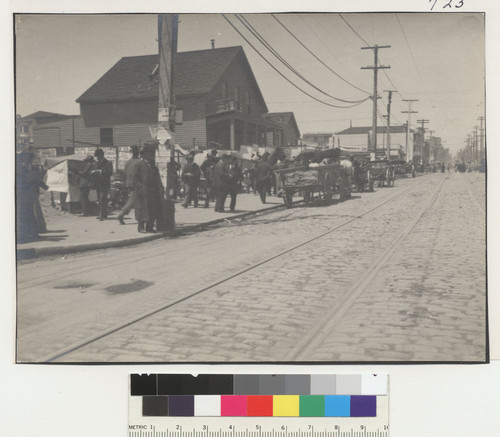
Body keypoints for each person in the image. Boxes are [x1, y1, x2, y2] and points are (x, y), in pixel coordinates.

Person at [16, 150, 48, 243]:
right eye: (30, 159)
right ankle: (25, 235)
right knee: (25, 214)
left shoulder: (21, 167)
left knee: (26, 214)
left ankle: (29, 234)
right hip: (23, 193)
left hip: (25, 193)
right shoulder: (21, 168)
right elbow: (33, 179)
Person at [133, 145, 164, 233]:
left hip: (153, 191)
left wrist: (160, 188)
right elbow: (135, 179)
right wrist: (141, 187)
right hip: (143, 191)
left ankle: (150, 227)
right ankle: (141, 227)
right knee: (142, 209)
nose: (151, 155)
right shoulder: (138, 164)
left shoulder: (153, 166)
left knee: (152, 209)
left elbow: (157, 178)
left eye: (152, 154)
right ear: (143, 155)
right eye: (149, 154)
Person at [117, 145, 142, 224]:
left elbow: (124, 174)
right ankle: (122, 213)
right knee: (133, 199)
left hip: (129, 183)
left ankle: (139, 218)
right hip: (137, 183)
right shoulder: (140, 162)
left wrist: (125, 184)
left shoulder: (128, 162)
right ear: (138, 153)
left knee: (136, 200)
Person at [91, 148, 113, 220]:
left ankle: (101, 215)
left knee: (102, 198)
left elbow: (110, 172)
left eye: (99, 156)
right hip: (98, 184)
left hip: (105, 184)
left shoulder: (108, 163)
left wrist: (101, 171)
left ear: (102, 155)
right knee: (100, 199)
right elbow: (92, 171)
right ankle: (104, 214)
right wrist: (93, 172)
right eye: (97, 156)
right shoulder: (96, 163)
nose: (98, 157)